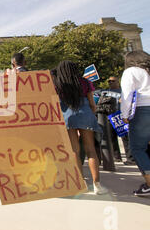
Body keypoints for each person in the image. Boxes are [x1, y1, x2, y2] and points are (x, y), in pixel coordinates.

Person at [52, 61, 108, 195]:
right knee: (90, 150)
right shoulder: (85, 82)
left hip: (68, 117)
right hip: (85, 114)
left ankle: (80, 183)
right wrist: (91, 114)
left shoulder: (58, 84)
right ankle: (97, 185)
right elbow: (92, 103)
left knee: (74, 151)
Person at [121, 50, 150, 196]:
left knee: (137, 148)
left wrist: (124, 115)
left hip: (142, 109)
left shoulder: (131, 72)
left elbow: (127, 94)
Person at [107, 76, 136, 165]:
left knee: (125, 138)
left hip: (122, 116)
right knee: (112, 138)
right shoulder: (106, 92)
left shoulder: (123, 91)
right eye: (109, 81)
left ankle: (130, 158)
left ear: (118, 82)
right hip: (111, 117)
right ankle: (117, 157)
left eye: (113, 81)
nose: (110, 83)